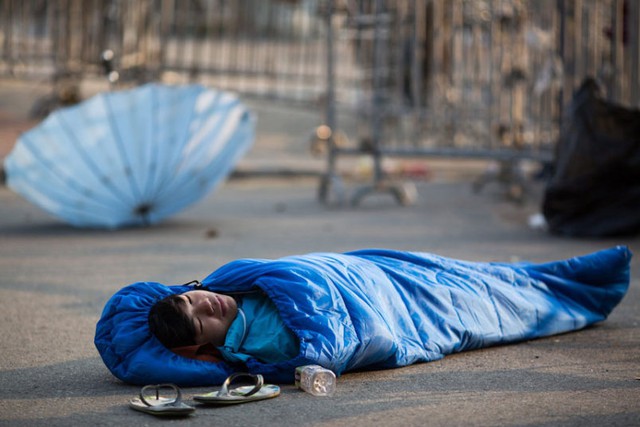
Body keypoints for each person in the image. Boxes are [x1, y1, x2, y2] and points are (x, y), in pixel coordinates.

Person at [95, 246, 631, 386]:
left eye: (190, 297)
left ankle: (567, 275)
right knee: (489, 299)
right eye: (200, 319)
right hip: (393, 311)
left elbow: (299, 273)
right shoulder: (255, 352)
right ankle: (580, 288)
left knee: (470, 273)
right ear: (200, 349)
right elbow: (333, 340)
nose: (206, 304)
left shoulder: (232, 280)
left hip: (369, 271)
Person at [148, 287, 299, 365]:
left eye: (189, 299)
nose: (206, 304)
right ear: (207, 346)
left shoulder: (234, 283)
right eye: (200, 323)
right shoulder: (270, 342)